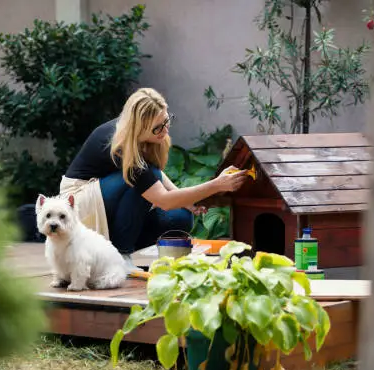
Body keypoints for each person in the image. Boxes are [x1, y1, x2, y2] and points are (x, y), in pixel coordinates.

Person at [58, 87, 248, 268]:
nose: (165, 130)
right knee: (138, 184)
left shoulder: (141, 138)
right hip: (78, 202)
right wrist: (217, 184)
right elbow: (161, 198)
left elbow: (150, 174)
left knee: (181, 216)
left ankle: (119, 249)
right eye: (157, 128)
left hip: (108, 197)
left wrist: (187, 200)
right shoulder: (120, 143)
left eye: (167, 121)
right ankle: (121, 255)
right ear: (139, 127)